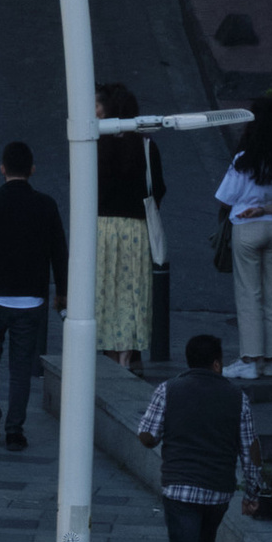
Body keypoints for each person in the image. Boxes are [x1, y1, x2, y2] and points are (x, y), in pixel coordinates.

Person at [139, 331, 264, 542]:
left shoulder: (169, 390)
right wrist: (253, 494)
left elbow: (147, 436)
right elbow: (251, 450)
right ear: (217, 364)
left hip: (178, 489)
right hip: (217, 491)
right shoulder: (237, 397)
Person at [0, 139, 68, 447]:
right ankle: (15, 430)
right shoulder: (46, 205)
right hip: (31, 299)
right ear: (32, 170)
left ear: (2, 168)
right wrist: (62, 291)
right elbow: (59, 253)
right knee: (20, 366)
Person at [215, 97, 272, 379]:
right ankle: (270, 361)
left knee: (249, 294)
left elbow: (224, 198)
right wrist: (268, 208)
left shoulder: (244, 158)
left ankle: (250, 360)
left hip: (246, 227)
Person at [95, 82, 164, 375]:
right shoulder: (146, 146)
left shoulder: (96, 144)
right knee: (133, 295)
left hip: (101, 228)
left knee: (104, 295)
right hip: (136, 229)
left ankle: (110, 358)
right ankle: (126, 358)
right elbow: (158, 188)